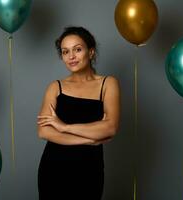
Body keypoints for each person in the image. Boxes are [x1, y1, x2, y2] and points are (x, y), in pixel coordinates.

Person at [37, 26, 120, 200]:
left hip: (90, 170)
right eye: (65, 52)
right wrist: (88, 139)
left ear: (91, 52)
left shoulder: (108, 84)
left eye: (78, 49)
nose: (71, 56)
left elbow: (110, 127)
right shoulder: (55, 87)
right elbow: (44, 131)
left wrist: (64, 126)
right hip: (54, 169)